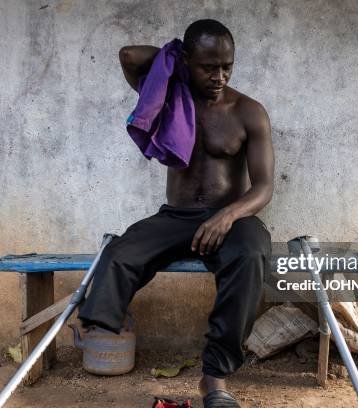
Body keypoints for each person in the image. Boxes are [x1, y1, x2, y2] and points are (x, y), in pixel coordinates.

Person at [78, 19, 274, 407]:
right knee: (120, 252)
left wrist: (228, 216)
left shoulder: (249, 111)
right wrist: (173, 62)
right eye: (207, 67)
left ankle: (214, 380)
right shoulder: (170, 95)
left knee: (251, 256)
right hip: (175, 217)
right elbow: (129, 57)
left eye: (227, 66)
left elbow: (264, 186)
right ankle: (99, 330)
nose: (218, 76)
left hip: (230, 219)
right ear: (187, 62)